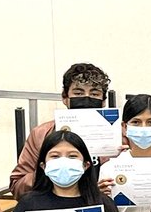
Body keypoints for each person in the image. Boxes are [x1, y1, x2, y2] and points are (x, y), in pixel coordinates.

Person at [10, 62, 112, 198]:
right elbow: (17, 186)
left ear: (103, 101)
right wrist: (51, 171)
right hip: (55, 209)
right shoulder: (41, 133)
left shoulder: (119, 135)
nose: (86, 98)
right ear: (65, 97)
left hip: (103, 209)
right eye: (78, 92)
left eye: (94, 94)